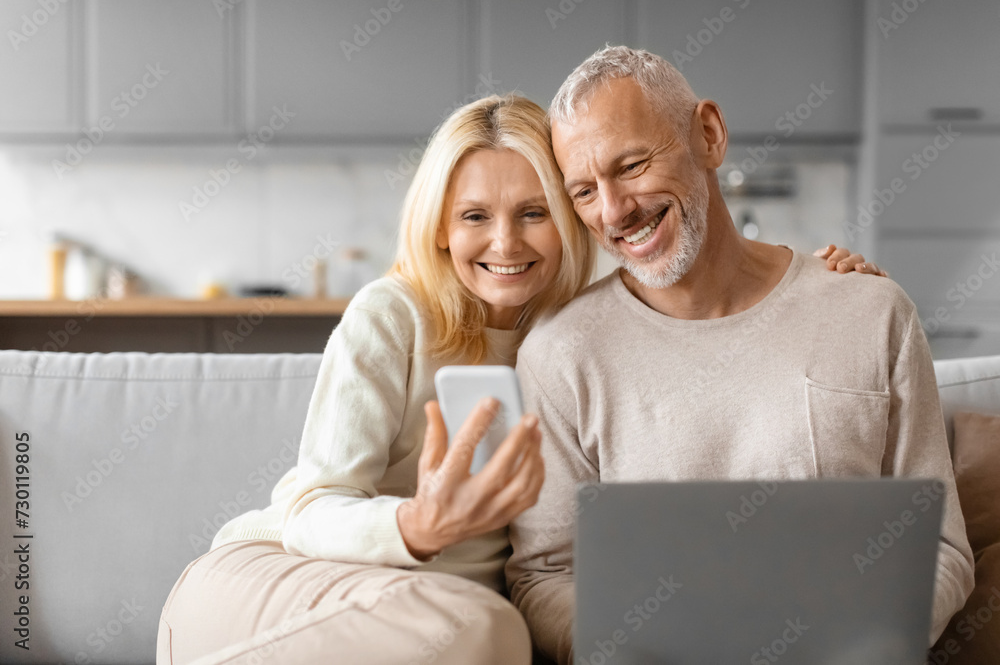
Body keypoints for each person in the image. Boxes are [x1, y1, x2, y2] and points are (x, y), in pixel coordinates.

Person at [156, 94, 879, 665]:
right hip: (283, 583)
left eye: (534, 212)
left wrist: (819, 289)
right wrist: (415, 525)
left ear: (573, 218)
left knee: (482, 630)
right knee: (484, 631)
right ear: (440, 226)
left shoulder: (583, 336)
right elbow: (311, 506)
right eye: (475, 215)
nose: (505, 243)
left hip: (439, 627)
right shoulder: (394, 315)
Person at [505, 45, 975, 665]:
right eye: (584, 191)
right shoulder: (559, 356)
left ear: (708, 135)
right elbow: (543, 576)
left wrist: (865, 639)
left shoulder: (870, 313)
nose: (615, 210)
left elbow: (943, 549)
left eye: (633, 165)